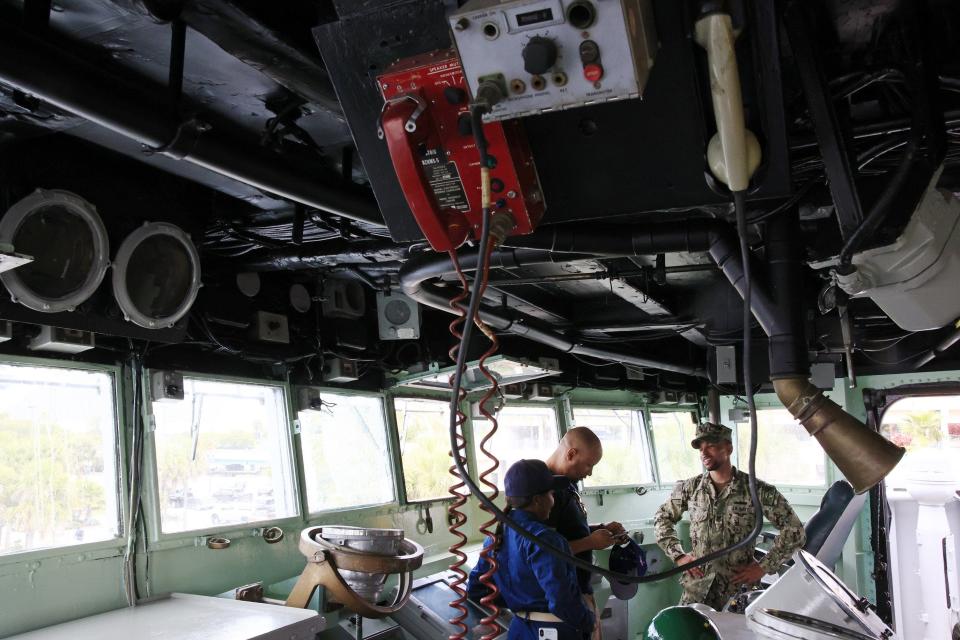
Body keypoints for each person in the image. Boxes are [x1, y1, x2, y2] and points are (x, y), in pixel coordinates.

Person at [653, 421, 805, 611]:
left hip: (737, 592)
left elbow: (795, 531)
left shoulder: (757, 490)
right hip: (697, 590)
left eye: (711, 446)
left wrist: (764, 567)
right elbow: (662, 518)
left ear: (729, 448)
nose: (704, 453)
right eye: (700, 448)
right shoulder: (690, 488)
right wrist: (678, 556)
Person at [467, 459, 595, 640]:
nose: (553, 501)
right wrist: (589, 621)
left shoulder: (494, 539)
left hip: (519, 630)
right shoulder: (547, 540)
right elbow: (562, 602)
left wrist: (520, 604)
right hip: (555, 631)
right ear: (537, 500)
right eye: (551, 494)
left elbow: (476, 588)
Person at [545, 427, 626, 640]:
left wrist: (600, 529)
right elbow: (544, 549)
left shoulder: (567, 485)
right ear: (571, 454)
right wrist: (590, 542)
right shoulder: (545, 492)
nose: (589, 472)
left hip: (579, 589)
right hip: (563, 595)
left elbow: (567, 533)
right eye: (589, 464)